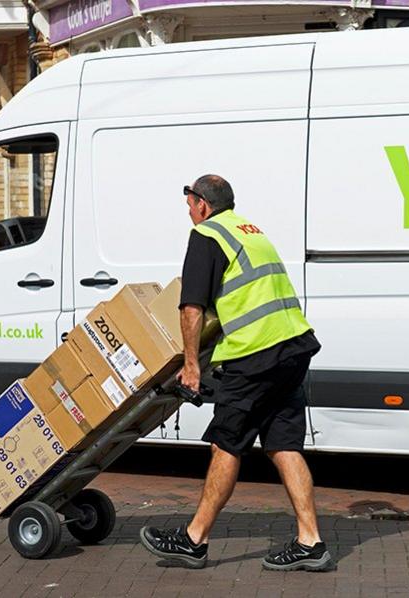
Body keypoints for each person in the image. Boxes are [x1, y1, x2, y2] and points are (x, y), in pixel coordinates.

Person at [139, 175, 331, 572]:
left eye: (190, 205)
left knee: (226, 443)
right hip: (293, 346)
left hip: (255, 356)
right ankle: (311, 541)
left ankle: (194, 540)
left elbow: (191, 307)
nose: (189, 213)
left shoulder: (207, 235)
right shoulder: (250, 231)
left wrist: (192, 367)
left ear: (203, 205)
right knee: (283, 444)